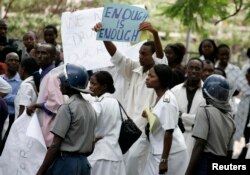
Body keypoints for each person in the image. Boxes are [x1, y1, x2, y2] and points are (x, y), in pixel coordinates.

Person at [93, 21, 167, 175]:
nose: (140, 56)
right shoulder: (134, 69)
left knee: (135, 161)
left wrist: (155, 34)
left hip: (147, 125)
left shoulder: (158, 71)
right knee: (127, 162)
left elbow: (160, 57)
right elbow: (117, 56)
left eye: (144, 54)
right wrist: (104, 35)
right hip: (128, 125)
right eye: (139, 53)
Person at [37, 63, 96, 175]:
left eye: (62, 81)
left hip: (66, 164)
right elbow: (92, 145)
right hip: (84, 164)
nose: (59, 84)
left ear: (67, 83)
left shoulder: (67, 107)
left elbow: (55, 145)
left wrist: (41, 171)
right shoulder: (89, 107)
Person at [143, 64, 188, 175]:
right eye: (148, 75)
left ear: (161, 80)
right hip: (158, 150)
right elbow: (158, 124)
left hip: (170, 153)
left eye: (152, 76)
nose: (147, 78)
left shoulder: (167, 102)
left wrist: (164, 160)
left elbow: (169, 131)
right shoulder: (159, 96)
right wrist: (149, 114)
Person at [186, 75, 235, 175]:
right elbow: (230, 151)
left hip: (206, 161)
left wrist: (188, 173)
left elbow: (200, 144)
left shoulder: (205, 110)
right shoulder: (230, 117)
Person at [88, 71, 126, 175]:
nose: (90, 87)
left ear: (104, 86)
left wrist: (92, 138)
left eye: (94, 84)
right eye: (90, 83)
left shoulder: (97, 103)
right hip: (116, 156)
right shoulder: (115, 102)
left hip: (99, 156)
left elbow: (88, 123)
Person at [27, 43, 64, 147]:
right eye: (37, 52)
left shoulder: (52, 76)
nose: (39, 56)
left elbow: (57, 104)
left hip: (50, 133)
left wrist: (36, 105)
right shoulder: (45, 75)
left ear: (53, 57)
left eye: (43, 53)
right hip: (44, 131)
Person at [171, 58, 205, 156]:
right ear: (186, 69)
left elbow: (203, 119)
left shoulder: (207, 92)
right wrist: (192, 119)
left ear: (202, 71)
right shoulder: (175, 90)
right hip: (176, 136)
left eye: (197, 68)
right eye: (191, 68)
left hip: (196, 138)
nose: (194, 71)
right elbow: (171, 114)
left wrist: (182, 116)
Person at [0, 52, 21, 143]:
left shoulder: (22, 81)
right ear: (5, 62)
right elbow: (15, 98)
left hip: (13, 118)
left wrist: (3, 97)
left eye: (16, 61)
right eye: (11, 60)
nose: (14, 62)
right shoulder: (0, 79)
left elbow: (19, 99)